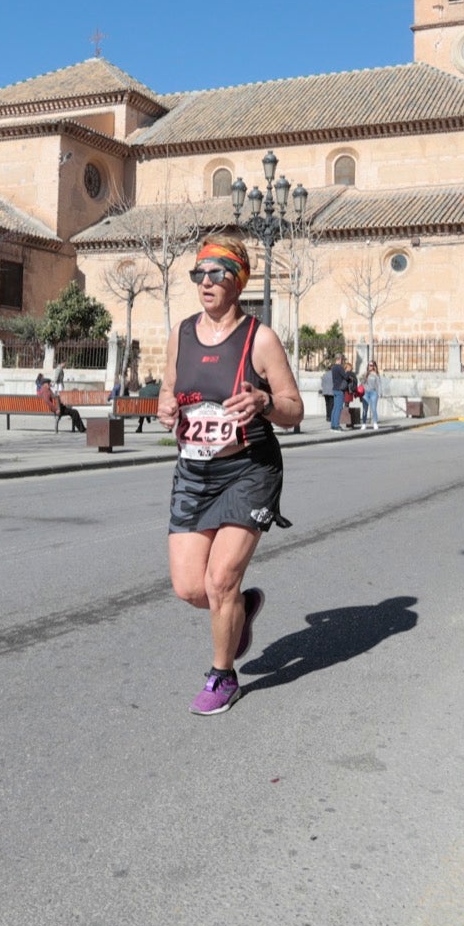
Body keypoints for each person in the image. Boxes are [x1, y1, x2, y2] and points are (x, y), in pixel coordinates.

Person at [160, 238, 303, 716]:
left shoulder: (260, 339)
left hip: (249, 469)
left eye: (217, 274)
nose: (206, 282)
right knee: (190, 588)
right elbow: (168, 390)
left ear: (238, 282)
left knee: (220, 580)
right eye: (199, 274)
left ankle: (222, 676)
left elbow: (294, 410)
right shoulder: (181, 334)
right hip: (194, 471)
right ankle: (239, 609)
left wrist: (264, 402)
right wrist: (165, 408)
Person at [325, 354, 348, 431]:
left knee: (334, 408)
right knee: (339, 408)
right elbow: (345, 377)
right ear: (340, 359)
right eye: (343, 359)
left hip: (335, 389)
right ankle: (336, 425)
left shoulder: (334, 367)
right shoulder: (340, 367)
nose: (343, 361)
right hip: (340, 389)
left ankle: (333, 425)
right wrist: (348, 374)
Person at [361, 361, 383, 430]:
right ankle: (364, 424)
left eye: (371, 365)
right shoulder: (365, 374)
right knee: (365, 409)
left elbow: (379, 384)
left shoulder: (376, 375)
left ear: (374, 366)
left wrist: (380, 393)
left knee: (373, 409)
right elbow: (362, 383)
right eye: (369, 365)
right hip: (365, 393)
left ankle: (375, 423)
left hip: (373, 393)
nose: (370, 366)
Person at [341, 363, 360, 428]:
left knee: (346, 405)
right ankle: (347, 421)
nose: (349, 368)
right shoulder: (351, 374)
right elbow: (355, 383)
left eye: (349, 367)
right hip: (348, 391)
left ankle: (346, 421)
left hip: (347, 391)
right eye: (348, 367)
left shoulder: (349, 374)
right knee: (346, 405)